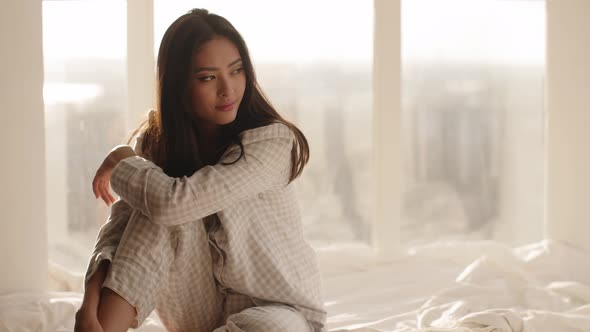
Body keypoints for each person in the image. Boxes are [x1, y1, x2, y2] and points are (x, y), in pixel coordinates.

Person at [74, 8, 326, 332]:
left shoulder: (273, 141)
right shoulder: (156, 142)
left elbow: (173, 202)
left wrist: (120, 157)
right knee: (156, 205)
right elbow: (120, 227)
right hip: (198, 311)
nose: (228, 89)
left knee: (168, 201)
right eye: (208, 77)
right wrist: (88, 303)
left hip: (278, 311)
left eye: (236, 71)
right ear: (179, 85)